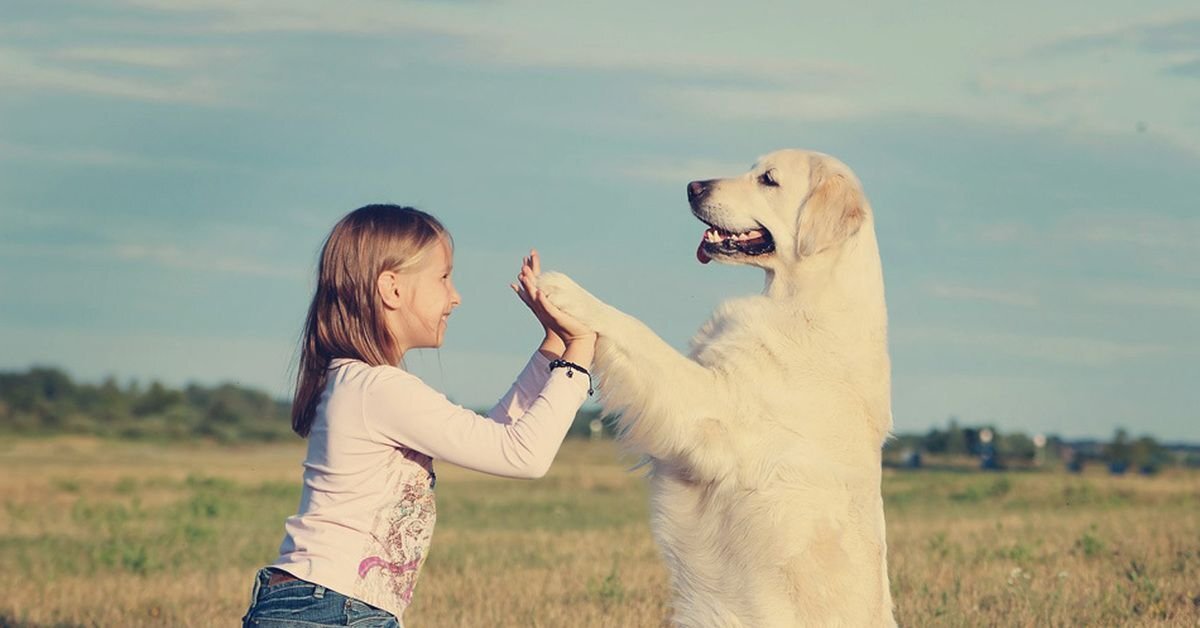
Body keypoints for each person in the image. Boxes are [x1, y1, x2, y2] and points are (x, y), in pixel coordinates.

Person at [241, 204, 596, 627]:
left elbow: (498, 434)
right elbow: (525, 455)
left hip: (323, 605)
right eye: (444, 277)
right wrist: (582, 350)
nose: (456, 295)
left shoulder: (361, 385)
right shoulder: (378, 390)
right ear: (391, 289)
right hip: (332, 610)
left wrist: (554, 346)